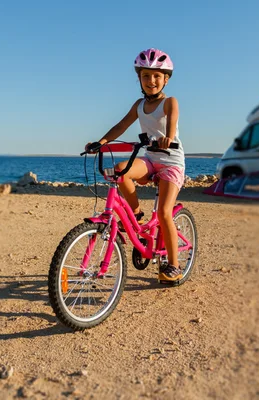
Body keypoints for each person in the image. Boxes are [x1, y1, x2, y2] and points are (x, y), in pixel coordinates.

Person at [85, 48, 185, 283]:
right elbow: (121, 126)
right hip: (150, 159)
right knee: (120, 170)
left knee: (163, 213)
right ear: (139, 79)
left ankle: (174, 265)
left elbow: (172, 123)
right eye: (146, 76)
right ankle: (137, 214)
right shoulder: (139, 105)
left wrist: (167, 138)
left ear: (166, 79)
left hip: (171, 160)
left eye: (157, 76)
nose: (151, 81)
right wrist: (100, 142)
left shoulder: (170, 102)